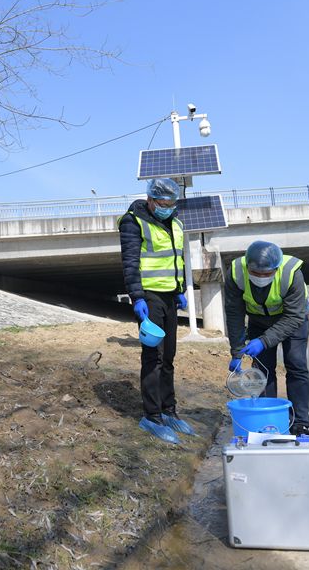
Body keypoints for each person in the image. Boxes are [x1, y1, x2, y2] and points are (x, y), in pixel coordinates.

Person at [118, 177, 195, 444]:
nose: (168, 208)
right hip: (148, 297)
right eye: (163, 203)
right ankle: (151, 416)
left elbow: (178, 258)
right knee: (154, 357)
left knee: (170, 356)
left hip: (170, 296)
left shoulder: (176, 222)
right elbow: (130, 261)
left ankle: (169, 410)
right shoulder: (133, 221)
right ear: (150, 200)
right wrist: (136, 296)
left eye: (172, 204)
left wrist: (181, 289)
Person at [224, 240, 309, 436]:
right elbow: (234, 313)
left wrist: (264, 341)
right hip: (259, 320)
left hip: (293, 320)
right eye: (256, 273)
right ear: (248, 267)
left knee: (296, 364)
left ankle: (300, 422)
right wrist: (237, 351)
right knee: (263, 369)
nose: (261, 277)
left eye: (267, 274)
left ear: (276, 268)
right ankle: (268, 418)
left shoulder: (291, 273)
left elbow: (294, 316)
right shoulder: (236, 272)